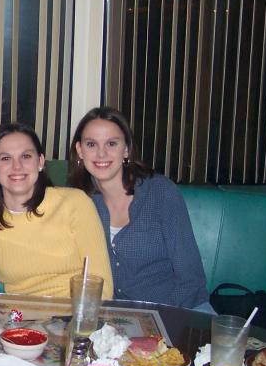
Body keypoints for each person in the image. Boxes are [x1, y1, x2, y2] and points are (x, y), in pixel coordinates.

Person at [68, 106, 211, 310]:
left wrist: (162, 321)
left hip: (181, 310)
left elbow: (191, 279)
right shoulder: (78, 202)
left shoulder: (160, 192)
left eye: (112, 143)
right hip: (118, 318)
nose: (101, 153)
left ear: (126, 149)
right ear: (80, 150)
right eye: (91, 144)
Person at [0, 122, 113, 298]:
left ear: (40, 162)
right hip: (18, 314)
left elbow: (102, 288)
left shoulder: (75, 203)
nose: (17, 166)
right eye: (5, 158)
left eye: (26, 156)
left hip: (75, 312)